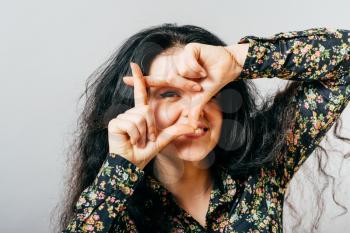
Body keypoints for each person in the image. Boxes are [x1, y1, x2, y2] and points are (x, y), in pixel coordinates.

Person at [59, 24, 350, 232]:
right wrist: (119, 169)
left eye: (208, 93)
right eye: (170, 94)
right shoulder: (120, 206)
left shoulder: (260, 172)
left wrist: (238, 60)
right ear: (131, 108)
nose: (195, 110)